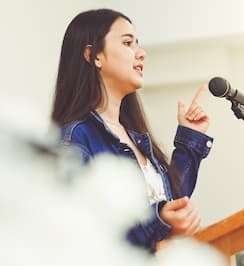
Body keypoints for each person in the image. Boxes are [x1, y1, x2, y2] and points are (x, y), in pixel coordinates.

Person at [51, 8, 213, 253]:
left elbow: (171, 204)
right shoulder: (75, 138)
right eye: (128, 43)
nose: (141, 53)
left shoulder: (134, 136)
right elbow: (84, 231)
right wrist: (158, 221)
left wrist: (190, 138)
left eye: (138, 43)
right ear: (93, 55)